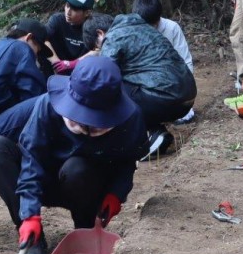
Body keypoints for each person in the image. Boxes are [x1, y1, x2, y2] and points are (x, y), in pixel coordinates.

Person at [0, 57, 145, 254]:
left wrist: (116, 193)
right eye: (79, 123)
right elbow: (31, 158)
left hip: (85, 182)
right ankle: (31, 236)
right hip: (43, 179)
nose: (86, 130)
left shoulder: (131, 118)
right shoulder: (48, 105)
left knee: (77, 167)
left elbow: (127, 161)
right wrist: (29, 214)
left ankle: (84, 228)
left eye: (95, 127)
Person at [83, 12, 196, 158]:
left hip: (165, 97)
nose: (100, 50)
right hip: (187, 96)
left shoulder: (112, 37)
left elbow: (104, 76)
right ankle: (155, 133)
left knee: (109, 89)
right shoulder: (143, 27)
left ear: (100, 34)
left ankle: (136, 141)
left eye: (98, 47)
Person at [132, 0, 195, 124]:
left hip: (171, 81)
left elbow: (185, 60)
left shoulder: (172, 28)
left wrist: (186, 92)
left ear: (158, 19)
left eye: (153, 24)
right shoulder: (132, 32)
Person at [46, 0, 95, 74]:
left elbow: (100, 49)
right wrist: (56, 63)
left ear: (87, 13)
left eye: (74, 8)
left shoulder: (93, 26)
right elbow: (42, 39)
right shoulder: (57, 20)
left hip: (84, 72)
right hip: (56, 71)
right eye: (67, 5)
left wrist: (72, 64)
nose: (68, 11)